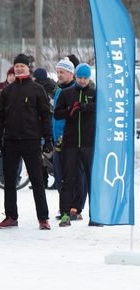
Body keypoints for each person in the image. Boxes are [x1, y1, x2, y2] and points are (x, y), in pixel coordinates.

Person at [0, 54, 53, 230]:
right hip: (10, 141)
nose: (19, 68)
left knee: (37, 180)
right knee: (9, 180)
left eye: (22, 66)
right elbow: (0, 117)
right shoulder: (7, 91)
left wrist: (48, 139)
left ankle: (43, 218)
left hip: (31, 141)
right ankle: (11, 216)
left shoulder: (37, 89)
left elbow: (45, 116)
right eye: (17, 65)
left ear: (29, 68)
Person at [54, 63, 96, 227]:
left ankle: (95, 215)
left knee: (90, 179)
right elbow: (57, 114)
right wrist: (69, 111)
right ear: (75, 77)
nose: (83, 81)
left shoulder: (94, 93)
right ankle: (65, 214)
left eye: (86, 78)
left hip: (88, 143)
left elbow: (101, 109)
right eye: (80, 77)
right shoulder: (66, 93)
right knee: (68, 178)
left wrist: (86, 107)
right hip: (70, 143)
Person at [50, 57, 82, 219]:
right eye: (57, 72)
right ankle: (64, 206)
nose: (59, 75)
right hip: (58, 140)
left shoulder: (75, 91)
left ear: (71, 73)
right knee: (59, 174)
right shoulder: (58, 91)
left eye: (62, 72)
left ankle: (74, 208)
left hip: (70, 140)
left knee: (72, 176)